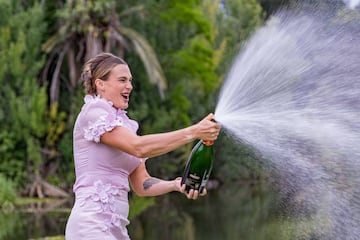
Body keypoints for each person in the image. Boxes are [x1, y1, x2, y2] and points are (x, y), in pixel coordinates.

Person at [65, 52, 221, 239]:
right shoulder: (94, 112)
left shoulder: (126, 126)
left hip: (116, 227)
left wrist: (175, 184)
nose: (129, 86)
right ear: (101, 84)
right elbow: (139, 147)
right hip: (90, 224)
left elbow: (142, 184)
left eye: (130, 81)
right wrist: (194, 132)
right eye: (122, 80)